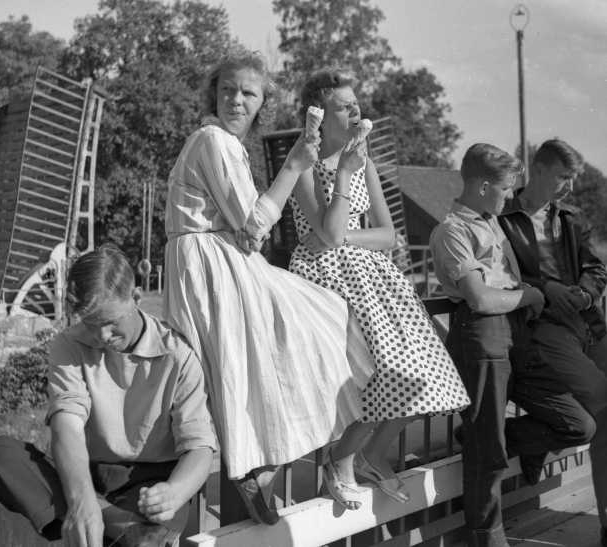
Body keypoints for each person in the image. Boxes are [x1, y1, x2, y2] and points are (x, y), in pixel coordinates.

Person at [162, 52, 375, 525]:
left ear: (261, 104)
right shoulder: (213, 140)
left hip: (213, 258)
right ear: (214, 95)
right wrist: (294, 165)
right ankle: (258, 465)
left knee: (277, 345)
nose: (236, 100)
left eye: (248, 93)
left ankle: (263, 461)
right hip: (213, 261)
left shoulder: (224, 144)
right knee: (315, 322)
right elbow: (252, 225)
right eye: (227, 90)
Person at [288, 69, 470, 511]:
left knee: (425, 367)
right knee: (377, 369)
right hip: (327, 278)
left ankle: (365, 455)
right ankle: (341, 459)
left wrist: (347, 236)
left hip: (371, 274)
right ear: (320, 115)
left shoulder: (363, 160)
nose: (355, 111)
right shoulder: (303, 162)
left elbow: (387, 235)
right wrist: (343, 181)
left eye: (356, 104)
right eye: (343, 106)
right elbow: (328, 233)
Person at [0, 244, 217, 547]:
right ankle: (117, 525)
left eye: (110, 322)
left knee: (151, 518)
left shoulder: (178, 356)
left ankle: (106, 523)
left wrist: (174, 493)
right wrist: (82, 499)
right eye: (91, 324)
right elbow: (67, 427)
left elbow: (199, 448)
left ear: (136, 298)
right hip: (83, 471)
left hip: (148, 484)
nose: (102, 336)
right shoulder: (69, 344)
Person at [430, 143, 597, 547]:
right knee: (489, 449)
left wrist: (534, 294)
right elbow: (480, 299)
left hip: (518, 334)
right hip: (483, 336)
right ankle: (487, 536)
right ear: (483, 187)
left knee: (578, 424)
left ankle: (481, 438)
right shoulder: (453, 230)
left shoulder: (495, 224)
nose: (510, 196)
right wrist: (530, 296)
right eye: (505, 188)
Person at [498, 138, 607, 546]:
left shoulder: (571, 218)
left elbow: (596, 269)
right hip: (541, 328)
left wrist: (585, 293)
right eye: (564, 177)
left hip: (589, 325)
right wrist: (547, 288)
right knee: (602, 405)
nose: (570, 187)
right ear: (538, 169)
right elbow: (499, 273)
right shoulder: (502, 217)